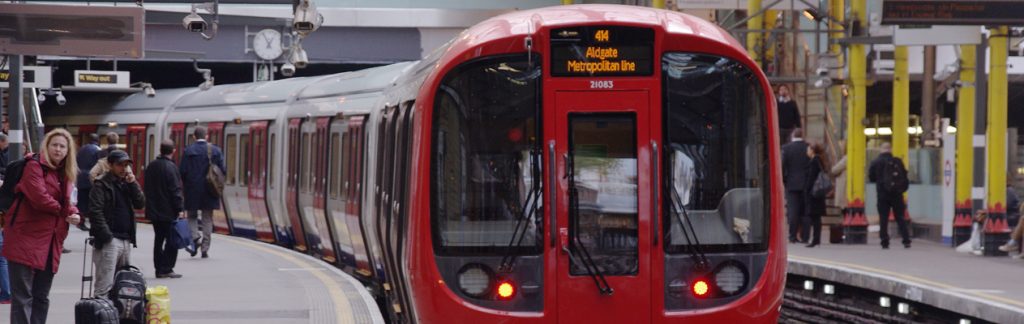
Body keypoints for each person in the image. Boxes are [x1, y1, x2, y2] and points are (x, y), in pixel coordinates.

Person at [1, 128, 81, 324]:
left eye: (63, 146)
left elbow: (69, 203)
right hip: (24, 238)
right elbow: (40, 199)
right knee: (23, 297)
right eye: (55, 145)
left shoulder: (66, 174)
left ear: (68, 151)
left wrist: (75, 214)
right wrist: (65, 211)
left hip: (50, 242)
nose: (58, 149)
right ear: (47, 146)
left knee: (41, 297)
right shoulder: (33, 166)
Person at [88, 150, 145, 298]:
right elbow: (96, 212)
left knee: (123, 286)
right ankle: (101, 317)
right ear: (110, 165)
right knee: (104, 287)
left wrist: (133, 184)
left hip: (125, 240)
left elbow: (140, 203)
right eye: (120, 165)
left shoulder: (126, 183)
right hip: (110, 241)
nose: (124, 169)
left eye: (126, 165)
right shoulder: (101, 184)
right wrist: (108, 237)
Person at [179, 126, 225, 259]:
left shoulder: (188, 151)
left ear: (194, 137)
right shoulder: (215, 150)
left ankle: (195, 238)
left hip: (192, 189)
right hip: (210, 189)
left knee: (191, 216)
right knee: (207, 219)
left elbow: (182, 171)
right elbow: (223, 170)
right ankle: (205, 248)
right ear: (206, 136)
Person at [144, 140, 185, 278]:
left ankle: (158, 268)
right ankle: (167, 268)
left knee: (158, 240)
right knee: (172, 240)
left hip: (154, 211)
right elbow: (175, 190)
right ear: (173, 151)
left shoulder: (151, 166)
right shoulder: (171, 168)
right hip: (168, 211)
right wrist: (180, 208)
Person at [868, 142, 911, 249]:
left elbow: (871, 177)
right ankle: (906, 240)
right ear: (890, 149)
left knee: (883, 217)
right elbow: (904, 176)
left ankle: (884, 241)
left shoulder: (876, 162)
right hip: (897, 193)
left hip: (882, 194)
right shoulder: (898, 161)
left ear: (881, 149)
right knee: (900, 217)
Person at [782, 128, 811, 243]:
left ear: (792, 135)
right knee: (805, 211)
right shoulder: (808, 147)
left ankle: (792, 236)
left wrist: (785, 181)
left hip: (792, 184)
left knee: (793, 211)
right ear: (802, 135)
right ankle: (805, 237)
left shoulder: (786, 149)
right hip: (806, 184)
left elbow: (783, 167)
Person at [803, 142, 829, 248]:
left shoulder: (814, 161)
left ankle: (815, 239)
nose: (807, 151)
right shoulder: (819, 160)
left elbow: (811, 178)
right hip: (818, 193)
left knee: (815, 218)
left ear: (812, 150)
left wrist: (807, 190)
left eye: (808, 149)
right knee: (816, 218)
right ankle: (816, 239)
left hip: (814, 193)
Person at [76, 133, 101, 232]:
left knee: (81, 201)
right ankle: (92, 222)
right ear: (98, 140)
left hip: (80, 177)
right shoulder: (97, 150)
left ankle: (81, 222)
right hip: (91, 178)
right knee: (92, 202)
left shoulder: (81, 149)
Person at [997, 180, 1023, 253]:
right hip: (1012, 214)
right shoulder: (1007, 191)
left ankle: (1013, 243)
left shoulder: (1009, 191)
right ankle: (1013, 243)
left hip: (1011, 215)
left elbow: (1008, 205)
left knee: (1022, 219)